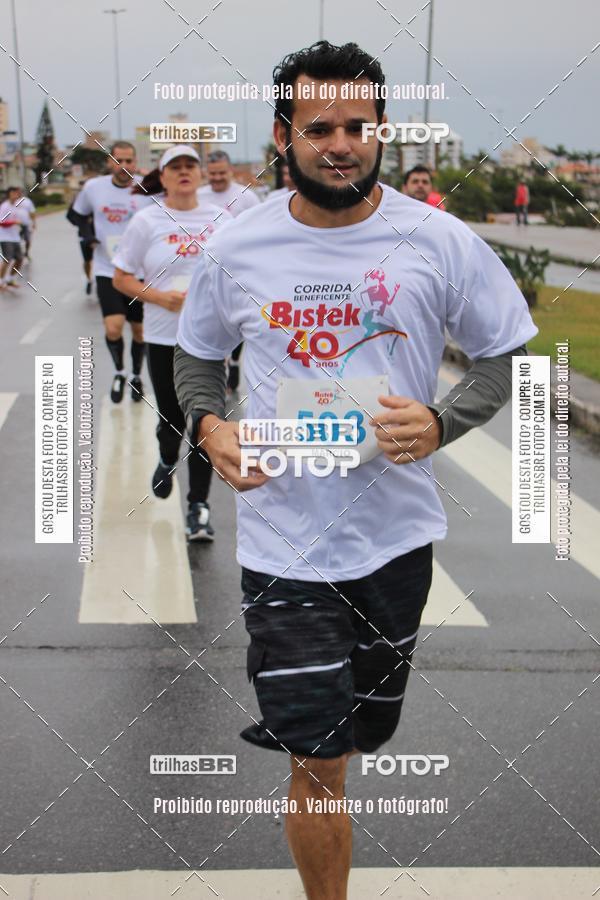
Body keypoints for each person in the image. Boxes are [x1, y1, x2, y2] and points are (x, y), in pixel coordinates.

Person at [174, 40, 537, 900]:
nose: (341, 143)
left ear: (381, 130)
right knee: (318, 757)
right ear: (283, 136)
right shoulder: (239, 244)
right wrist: (210, 425)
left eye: (358, 126)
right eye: (320, 127)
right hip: (283, 546)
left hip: (395, 542)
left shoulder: (436, 240)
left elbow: (506, 354)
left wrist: (442, 421)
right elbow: (197, 355)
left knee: (366, 732)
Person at [113, 146, 229, 540]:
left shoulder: (221, 219)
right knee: (173, 420)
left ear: (199, 174)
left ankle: (198, 506)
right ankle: (166, 457)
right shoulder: (146, 221)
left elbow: (238, 272)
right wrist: (161, 298)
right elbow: (121, 278)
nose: (183, 172)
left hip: (208, 341)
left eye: (189, 166)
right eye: (174, 167)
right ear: (162, 177)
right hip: (164, 336)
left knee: (205, 420)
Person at [69, 141, 152, 403]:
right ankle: (119, 372)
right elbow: (75, 215)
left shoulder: (148, 188)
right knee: (113, 327)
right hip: (108, 269)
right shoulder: (94, 188)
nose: (124, 166)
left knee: (140, 331)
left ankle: (136, 376)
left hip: (140, 272)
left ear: (135, 163)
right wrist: (89, 236)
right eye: (119, 161)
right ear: (110, 162)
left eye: (129, 161)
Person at [199, 150, 260, 395]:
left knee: (235, 319)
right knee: (213, 320)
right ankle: (219, 366)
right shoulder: (199, 196)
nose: (217, 178)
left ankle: (234, 360)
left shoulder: (247, 197)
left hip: (239, 269)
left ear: (231, 171)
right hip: (207, 267)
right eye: (212, 174)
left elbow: (259, 232)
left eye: (221, 173)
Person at [67, 187, 96, 296]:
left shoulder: (100, 199)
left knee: (102, 260)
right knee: (87, 260)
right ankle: (89, 279)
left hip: (100, 235)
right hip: (84, 236)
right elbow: (69, 216)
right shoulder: (78, 202)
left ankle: (102, 281)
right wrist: (80, 224)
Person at [0, 187, 25, 290]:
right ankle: (1, 281)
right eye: (13, 193)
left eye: (16, 193)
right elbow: (1, 222)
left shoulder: (16, 206)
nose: (15, 195)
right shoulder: (5, 206)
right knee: (7, 259)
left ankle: (10, 279)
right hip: (5, 237)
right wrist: (14, 222)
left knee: (20, 259)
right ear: (9, 194)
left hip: (15, 237)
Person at [14, 188, 36, 261]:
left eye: (20, 192)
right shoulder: (13, 201)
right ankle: (16, 254)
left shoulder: (27, 201)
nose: (18, 193)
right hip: (15, 225)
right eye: (17, 192)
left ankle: (26, 252)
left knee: (28, 240)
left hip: (26, 224)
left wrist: (34, 222)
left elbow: (32, 212)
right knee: (15, 240)